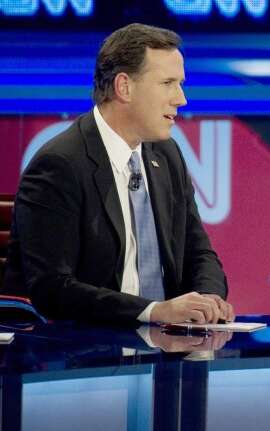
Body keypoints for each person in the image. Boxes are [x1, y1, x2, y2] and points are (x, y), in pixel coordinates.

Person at [2, 23, 234, 324]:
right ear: (124, 87)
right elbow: (53, 289)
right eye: (167, 83)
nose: (181, 99)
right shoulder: (59, 165)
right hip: (82, 355)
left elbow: (198, 253)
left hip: (163, 351)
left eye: (180, 84)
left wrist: (208, 297)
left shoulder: (167, 156)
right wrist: (152, 312)